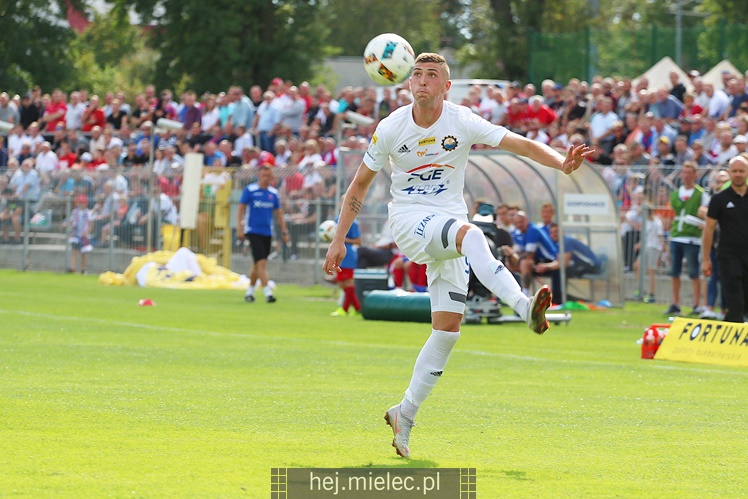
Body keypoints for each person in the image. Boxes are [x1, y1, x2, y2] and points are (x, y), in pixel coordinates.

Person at [322, 53, 591, 459]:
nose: (423, 80)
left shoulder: (461, 120)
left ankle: (404, 414)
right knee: (472, 235)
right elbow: (358, 186)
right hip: (411, 221)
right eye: (417, 74)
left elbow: (519, 143)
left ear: (446, 87)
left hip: (446, 222)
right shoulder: (391, 127)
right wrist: (339, 239)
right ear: (408, 84)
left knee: (447, 331)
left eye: (433, 75)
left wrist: (560, 163)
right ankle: (523, 308)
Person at [702, 155, 748, 323]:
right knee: (735, 299)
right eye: (734, 171)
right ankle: (737, 342)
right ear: (729, 173)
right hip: (728, 255)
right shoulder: (719, 199)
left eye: (741, 171)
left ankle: (727, 329)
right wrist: (706, 259)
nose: (738, 174)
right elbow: (709, 229)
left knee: (744, 303)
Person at [237, 166, 289, 303]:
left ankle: (250, 292)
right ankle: (268, 293)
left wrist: (284, 231)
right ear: (259, 175)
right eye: (264, 175)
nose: (266, 178)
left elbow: (279, 214)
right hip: (252, 230)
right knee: (261, 262)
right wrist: (239, 227)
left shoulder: (273, 193)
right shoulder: (250, 190)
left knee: (257, 263)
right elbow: (241, 208)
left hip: (267, 231)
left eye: (269, 175)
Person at [665, 162, 710, 316]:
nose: (686, 175)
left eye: (689, 172)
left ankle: (696, 304)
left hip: (692, 238)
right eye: (684, 172)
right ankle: (675, 303)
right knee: (674, 272)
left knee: (694, 272)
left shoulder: (701, 194)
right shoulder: (676, 193)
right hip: (677, 236)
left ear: (695, 175)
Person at [330, 202, 363, 317]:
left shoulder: (353, 222)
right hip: (337, 253)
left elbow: (358, 241)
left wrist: (341, 239)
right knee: (341, 283)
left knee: (348, 282)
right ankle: (358, 308)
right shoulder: (336, 220)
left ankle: (344, 309)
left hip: (348, 254)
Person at [633, 204, 665, 303]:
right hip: (646, 247)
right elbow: (645, 236)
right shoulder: (645, 222)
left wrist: (662, 250)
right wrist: (639, 244)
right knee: (636, 266)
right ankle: (641, 289)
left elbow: (660, 237)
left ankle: (651, 294)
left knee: (651, 270)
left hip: (654, 247)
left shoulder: (657, 222)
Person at [65, 194, 93, 273]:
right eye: (80, 203)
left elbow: (91, 224)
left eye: (83, 203)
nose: (81, 204)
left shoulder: (88, 213)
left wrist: (87, 233)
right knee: (74, 251)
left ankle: (83, 269)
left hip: (84, 235)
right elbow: (71, 222)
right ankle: (72, 268)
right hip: (75, 234)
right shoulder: (75, 212)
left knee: (84, 253)